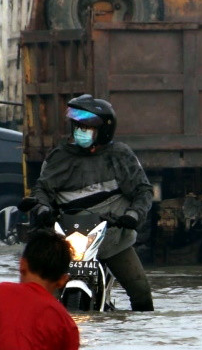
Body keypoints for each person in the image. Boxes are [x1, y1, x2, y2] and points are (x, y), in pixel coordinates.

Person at [30, 94, 155, 311]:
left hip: (112, 237)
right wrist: (41, 209)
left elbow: (143, 192)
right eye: (76, 125)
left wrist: (132, 216)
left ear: (104, 130)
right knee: (37, 295)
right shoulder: (58, 157)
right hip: (66, 241)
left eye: (86, 127)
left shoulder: (120, 156)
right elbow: (41, 189)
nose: (80, 130)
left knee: (141, 292)